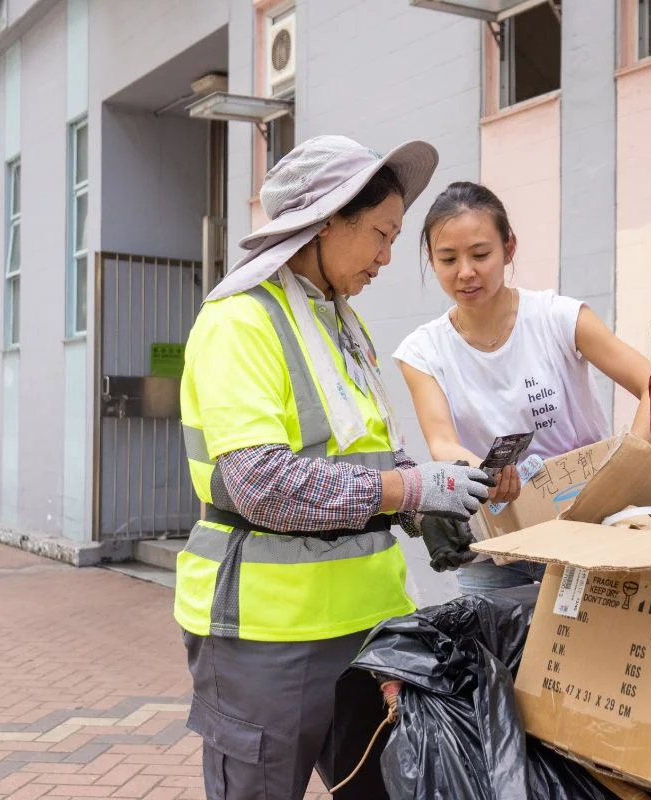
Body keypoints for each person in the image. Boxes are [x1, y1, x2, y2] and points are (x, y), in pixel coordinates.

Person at [175, 137, 495, 800]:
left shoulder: (342, 325)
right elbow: (262, 485)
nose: (386, 256)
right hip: (267, 635)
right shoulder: (241, 323)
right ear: (325, 220)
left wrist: (423, 504)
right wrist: (408, 487)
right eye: (379, 234)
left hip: (367, 624)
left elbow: (372, 451)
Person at [393, 181, 651, 596]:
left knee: (583, 655)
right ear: (431, 260)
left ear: (508, 248)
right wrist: (483, 473)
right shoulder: (422, 352)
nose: (465, 272)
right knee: (495, 655)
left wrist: (628, 470)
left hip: (585, 532)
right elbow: (442, 442)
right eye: (447, 259)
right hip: (496, 547)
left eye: (481, 254)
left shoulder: (558, 318)